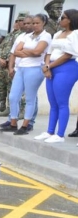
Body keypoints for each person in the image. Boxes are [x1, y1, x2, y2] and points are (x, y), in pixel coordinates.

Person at [2, 14, 52, 135]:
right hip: (22, 68)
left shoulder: (46, 36)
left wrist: (26, 52)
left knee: (30, 98)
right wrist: (30, 53)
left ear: (43, 23)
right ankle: (13, 123)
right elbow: (16, 51)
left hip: (34, 68)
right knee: (13, 97)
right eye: (33, 23)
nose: (34, 25)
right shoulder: (27, 36)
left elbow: (38, 51)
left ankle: (25, 125)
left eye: (37, 23)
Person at [34, 9, 78, 143]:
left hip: (67, 68)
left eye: (63, 17)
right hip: (51, 67)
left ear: (70, 19)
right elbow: (49, 51)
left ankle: (60, 135)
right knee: (53, 103)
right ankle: (50, 131)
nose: (60, 20)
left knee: (62, 102)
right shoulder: (58, 33)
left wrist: (49, 67)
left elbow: (68, 54)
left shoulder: (75, 34)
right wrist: (46, 66)